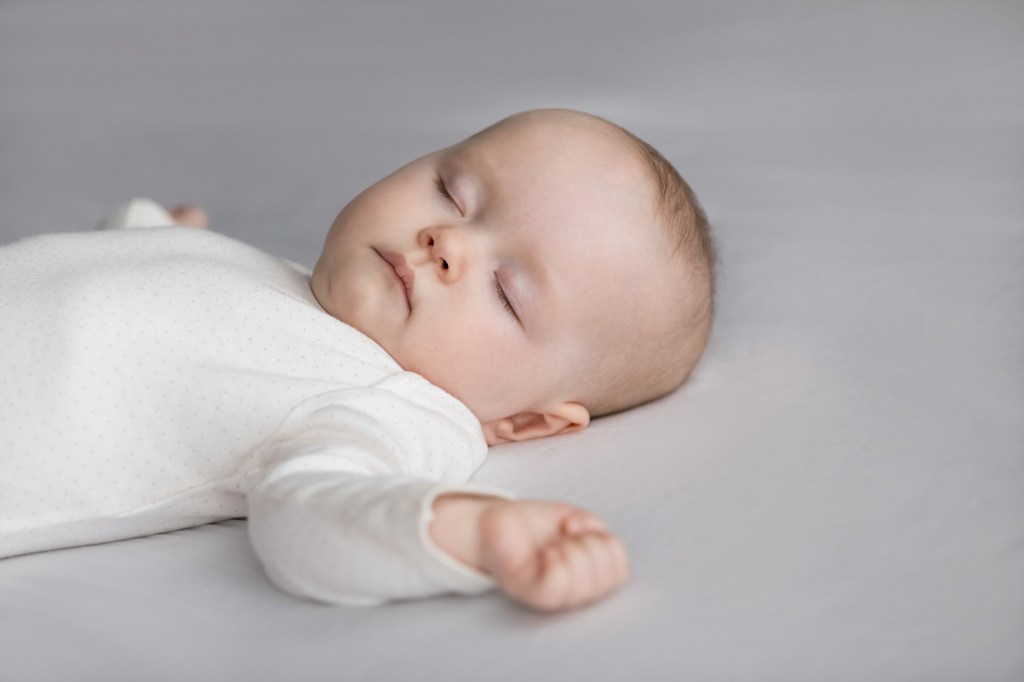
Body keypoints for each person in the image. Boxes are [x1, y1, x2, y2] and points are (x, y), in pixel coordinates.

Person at [0, 109, 716, 612]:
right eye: (454, 191)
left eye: (506, 291)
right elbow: (146, 293)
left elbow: (308, 516)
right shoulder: (284, 276)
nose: (446, 241)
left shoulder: (388, 405)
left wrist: (468, 528)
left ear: (528, 420)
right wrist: (159, 233)